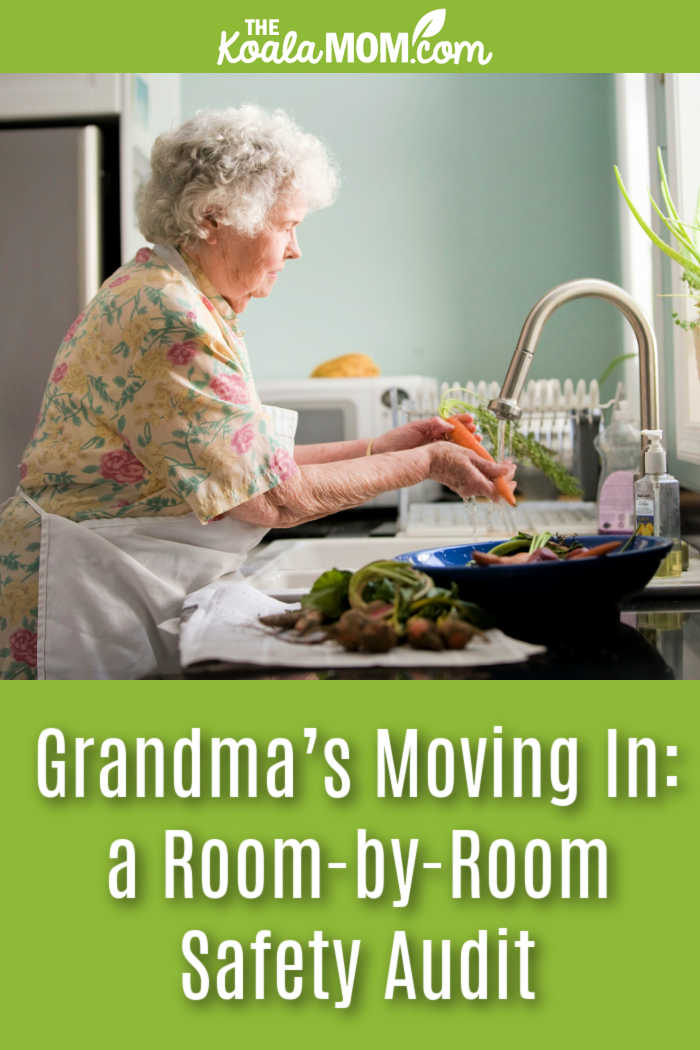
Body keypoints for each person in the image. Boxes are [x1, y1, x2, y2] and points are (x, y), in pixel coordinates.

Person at [0, 105, 514, 680]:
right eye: (287, 225)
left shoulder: (174, 296)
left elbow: (247, 469)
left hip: (112, 582)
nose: (295, 249)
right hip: (82, 599)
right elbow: (273, 499)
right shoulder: (168, 315)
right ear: (215, 217)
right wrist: (426, 461)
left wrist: (386, 447)